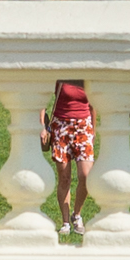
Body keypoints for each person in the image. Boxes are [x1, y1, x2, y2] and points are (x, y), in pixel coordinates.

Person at [41, 79, 94, 235]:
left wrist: (93, 131)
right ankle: (65, 222)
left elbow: (93, 104)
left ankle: (76, 215)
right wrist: (42, 126)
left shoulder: (88, 76)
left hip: (83, 126)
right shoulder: (60, 75)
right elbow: (43, 98)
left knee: (86, 176)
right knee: (64, 177)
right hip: (61, 126)